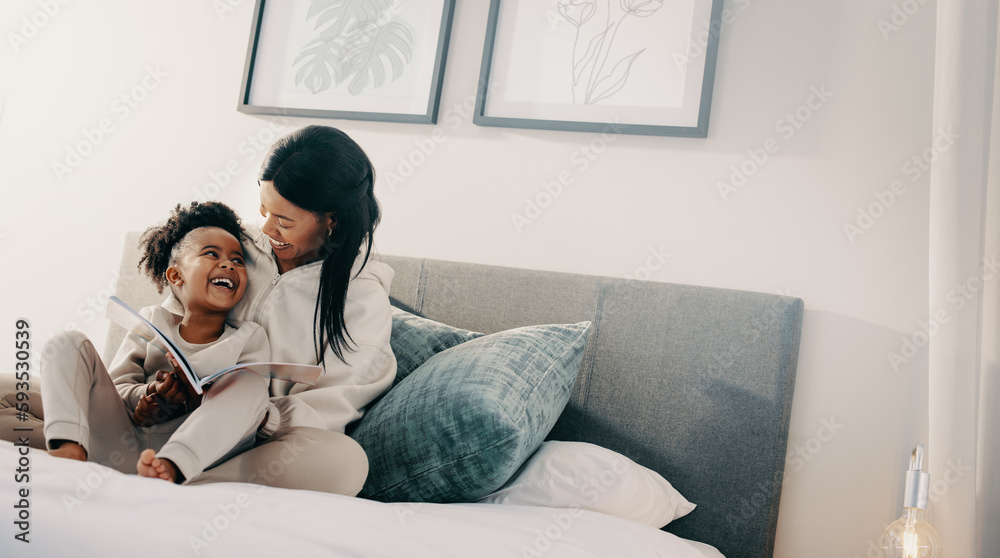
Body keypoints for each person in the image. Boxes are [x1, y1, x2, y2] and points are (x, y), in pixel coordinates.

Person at [178, 125, 397, 496]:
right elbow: (172, 315)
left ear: (332, 220)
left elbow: (332, 405)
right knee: (59, 373)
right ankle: (158, 463)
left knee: (345, 462)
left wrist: (251, 417)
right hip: (174, 407)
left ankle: (175, 478)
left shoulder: (361, 299)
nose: (266, 228)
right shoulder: (233, 247)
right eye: (263, 210)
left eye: (284, 221)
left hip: (255, 441)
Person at [41, 201, 272, 484]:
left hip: (195, 460)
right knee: (68, 341)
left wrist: (197, 398)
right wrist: (147, 397)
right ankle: (68, 448)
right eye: (212, 254)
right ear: (176, 275)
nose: (229, 264)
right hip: (122, 445)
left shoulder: (248, 337)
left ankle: (171, 466)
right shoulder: (152, 321)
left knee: (251, 385)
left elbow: (246, 410)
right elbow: (119, 387)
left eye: (238, 261)